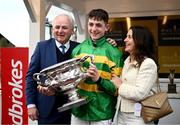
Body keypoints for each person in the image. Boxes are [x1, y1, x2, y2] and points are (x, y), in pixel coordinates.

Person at [26, 14, 118, 124]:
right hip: (48, 109)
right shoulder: (42, 47)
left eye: (64, 27)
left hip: (75, 110)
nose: (60, 31)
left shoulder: (80, 49)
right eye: (57, 27)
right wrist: (31, 104)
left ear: (72, 30)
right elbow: (31, 77)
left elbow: (98, 47)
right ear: (52, 29)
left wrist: (108, 42)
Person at [71, 9, 124, 125]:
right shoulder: (77, 50)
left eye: (98, 25)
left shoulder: (115, 53)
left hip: (102, 113)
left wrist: (98, 79)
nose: (94, 29)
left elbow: (117, 90)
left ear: (107, 27)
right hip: (79, 111)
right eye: (91, 24)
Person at [111, 26, 158, 125]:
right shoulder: (127, 61)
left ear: (139, 41)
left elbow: (140, 93)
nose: (125, 40)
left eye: (129, 37)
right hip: (120, 113)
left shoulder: (148, 63)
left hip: (138, 116)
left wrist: (120, 85)